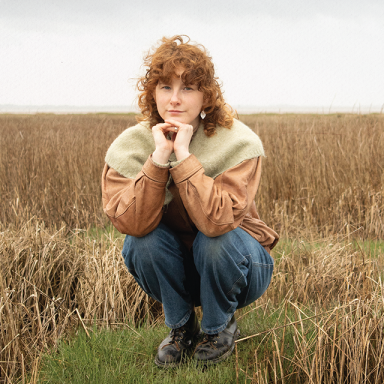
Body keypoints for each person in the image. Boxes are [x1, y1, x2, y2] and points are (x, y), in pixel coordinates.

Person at [102, 35, 279, 367]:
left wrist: (183, 157)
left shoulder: (237, 142)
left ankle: (218, 327)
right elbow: (132, 224)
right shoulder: (130, 147)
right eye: (165, 87)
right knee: (142, 242)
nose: (175, 99)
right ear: (152, 94)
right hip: (179, 269)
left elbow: (216, 223)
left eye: (188, 88)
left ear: (206, 96)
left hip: (238, 265)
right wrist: (158, 159)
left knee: (214, 241)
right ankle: (182, 328)